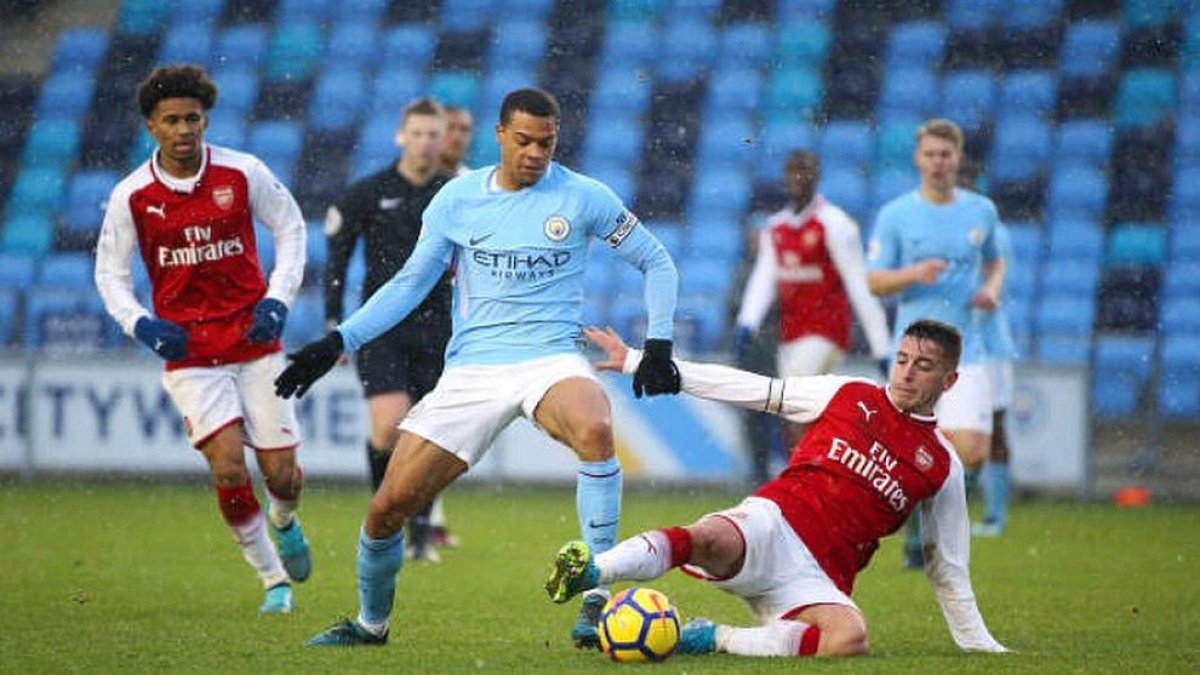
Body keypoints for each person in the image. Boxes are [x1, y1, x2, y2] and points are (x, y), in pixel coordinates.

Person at [275, 88, 681, 648]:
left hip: (550, 358)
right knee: (387, 508)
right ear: (499, 136)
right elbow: (410, 282)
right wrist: (339, 338)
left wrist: (658, 344)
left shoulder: (585, 197)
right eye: (524, 141)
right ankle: (371, 624)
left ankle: (594, 594)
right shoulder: (458, 200)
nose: (536, 152)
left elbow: (655, 260)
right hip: (473, 371)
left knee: (595, 426)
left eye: (547, 142)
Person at [546, 321, 1008, 659]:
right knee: (709, 538)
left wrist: (980, 646)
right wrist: (644, 363)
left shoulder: (942, 466)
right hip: (774, 521)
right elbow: (760, 390)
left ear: (949, 380)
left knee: (848, 639)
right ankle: (594, 571)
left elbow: (947, 566)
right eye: (903, 360)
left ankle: (712, 638)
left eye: (923, 366)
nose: (906, 373)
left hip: (817, 579)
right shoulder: (850, 394)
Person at [94, 64, 311, 613]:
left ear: (205, 119)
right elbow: (109, 274)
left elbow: (291, 229)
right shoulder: (133, 196)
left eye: (193, 119)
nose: (185, 130)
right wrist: (140, 323)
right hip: (191, 352)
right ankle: (272, 580)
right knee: (229, 468)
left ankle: (284, 520)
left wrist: (276, 301)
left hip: (255, 340)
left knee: (282, 475)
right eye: (172, 121)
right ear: (152, 127)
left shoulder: (242, 172)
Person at [865, 119, 1005, 568]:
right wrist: (914, 273)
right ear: (917, 158)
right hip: (915, 352)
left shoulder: (981, 210)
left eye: (946, 154)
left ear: (958, 158)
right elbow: (873, 281)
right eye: (930, 154)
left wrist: (992, 291)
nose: (938, 162)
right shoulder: (895, 215)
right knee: (915, 449)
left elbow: (996, 261)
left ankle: (922, 522)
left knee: (973, 451)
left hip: (968, 349)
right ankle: (919, 537)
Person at [324, 98, 454, 562]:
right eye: (416, 133)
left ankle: (421, 528)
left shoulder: (457, 192)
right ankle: (386, 517)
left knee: (433, 438)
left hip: (440, 329)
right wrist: (334, 323)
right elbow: (337, 259)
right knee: (388, 427)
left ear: (444, 140)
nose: (424, 142)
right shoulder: (367, 192)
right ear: (402, 136)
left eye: (432, 134)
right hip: (381, 326)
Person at [734, 150, 891, 447]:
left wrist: (881, 347)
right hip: (792, 332)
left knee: (793, 402)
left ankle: (800, 477)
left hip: (826, 329)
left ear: (816, 177)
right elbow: (764, 279)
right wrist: (747, 322)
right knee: (798, 409)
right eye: (792, 172)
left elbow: (860, 285)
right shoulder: (776, 227)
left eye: (804, 172)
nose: (797, 179)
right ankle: (817, 469)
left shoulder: (835, 224)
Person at [974, 221, 1017, 538]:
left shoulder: (994, 232)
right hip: (954, 345)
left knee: (996, 424)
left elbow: (997, 286)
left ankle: (995, 516)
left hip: (989, 346)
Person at [439, 105, 474, 177]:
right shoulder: (417, 180)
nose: (457, 137)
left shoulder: (474, 183)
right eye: (450, 128)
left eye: (464, 129)